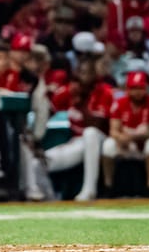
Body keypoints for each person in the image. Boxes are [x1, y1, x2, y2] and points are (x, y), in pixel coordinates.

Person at [45, 58, 113, 201]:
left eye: (86, 73)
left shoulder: (103, 92)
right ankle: (47, 196)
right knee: (39, 163)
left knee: (90, 134)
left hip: (102, 140)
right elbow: (48, 110)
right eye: (80, 72)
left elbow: (98, 124)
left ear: (95, 75)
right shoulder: (70, 90)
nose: (82, 77)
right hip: (76, 141)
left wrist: (81, 103)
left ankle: (89, 189)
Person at [100, 71, 149, 195]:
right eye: (133, 88)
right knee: (108, 145)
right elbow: (113, 129)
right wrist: (120, 138)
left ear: (146, 88)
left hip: (144, 142)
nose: (137, 92)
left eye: (140, 88)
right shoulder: (119, 103)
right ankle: (108, 186)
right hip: (126, 144)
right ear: (127, 89)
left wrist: (133, 137)